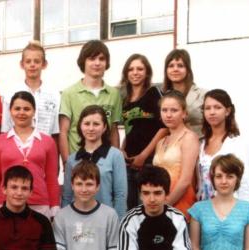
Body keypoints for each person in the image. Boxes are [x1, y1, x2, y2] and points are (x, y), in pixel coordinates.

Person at [0, 91, 60, 220]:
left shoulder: (48, 141)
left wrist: (54, 207)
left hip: (40, 205)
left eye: (27, 109)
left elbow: (52, 179)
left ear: (34, 112)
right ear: (10, 111)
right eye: (17, 109)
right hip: (6, 205)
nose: (21, 113)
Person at [59, 40, 122, 163]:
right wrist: (67, 163)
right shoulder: (69, 93)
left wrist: (115, 161)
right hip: (78, 163)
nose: (97, 63)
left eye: (101, 59)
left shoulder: (114, 94)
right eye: (92, 59)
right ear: (83, 62)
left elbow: (114, 131)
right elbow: (63, 132)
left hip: (105, 163)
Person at [62, 105, 127, 219]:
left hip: (106, 220)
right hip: (77, 220)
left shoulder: (115, 155)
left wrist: (118, 222)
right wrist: (65, 219)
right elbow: (67, 196)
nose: (91, 128)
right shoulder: (72, 159)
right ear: (80, 126)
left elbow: (120, 195)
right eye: (87, 124)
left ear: (104, 127)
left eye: (96, 124)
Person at [118, 54, 164, 209]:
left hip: (149, 161)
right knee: (130, 208)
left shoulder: (154, 93)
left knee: (147, 206)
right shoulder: (125, 99)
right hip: (129, 162)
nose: (135, 72)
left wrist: (144, 155)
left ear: (147, 72)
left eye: (140, 69)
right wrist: (122, 149)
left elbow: (163, 128)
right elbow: (130, 128)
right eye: (131, 69)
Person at [152, 90, 200, 217]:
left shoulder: (189, 137)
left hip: (181, 205)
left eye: (174, 110)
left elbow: (186, 180)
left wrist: (165, 204)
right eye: (164, 110)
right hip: (159, 204)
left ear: (184, 113)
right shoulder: (161, 142)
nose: (168, 115)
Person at [1, 41, 60, 143]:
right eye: (28, 61)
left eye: (37, 61)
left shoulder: (54, 95)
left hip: (44, 148)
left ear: (44, 64)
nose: (32, 65)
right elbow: (5, 129)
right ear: (22, 64)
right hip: (16, 147)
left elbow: (55, 133)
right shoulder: (10, 94)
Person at [198, 89, 249, 201]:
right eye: (207, 108)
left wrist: (243, 209)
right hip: (204, 204)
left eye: (217, 107)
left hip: (230, 206)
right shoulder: (201, 143)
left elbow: (244, 183)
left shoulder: (237, 143)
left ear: (227, 111)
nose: (212, 112)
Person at [162, 49, 206, 137]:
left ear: (188, 69)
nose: (175, 69)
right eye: (171, 66)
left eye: (180, 66)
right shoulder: (162, 97)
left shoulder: (203, 95)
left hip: (200, 142)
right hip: (173, 143)